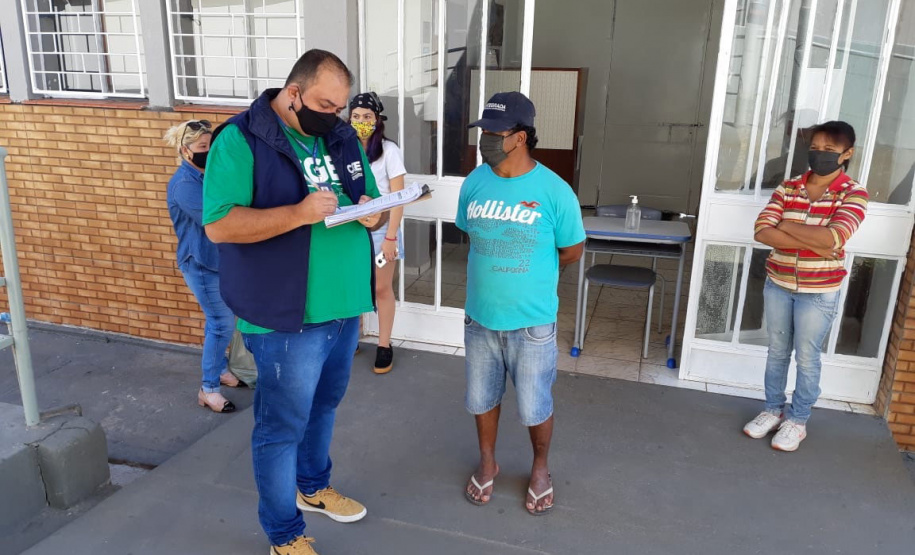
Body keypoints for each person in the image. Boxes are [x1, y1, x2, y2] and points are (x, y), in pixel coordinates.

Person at [202, 50, 384, 555]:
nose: (335, 115)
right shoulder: (242, 139)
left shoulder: (341, 135)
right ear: (294, 92)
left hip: (344, 306)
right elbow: (219, 223)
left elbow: (368, 197)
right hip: (286, 315)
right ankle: (284, 533)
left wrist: (375, 215)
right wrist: (299, 213)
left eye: (341, 106)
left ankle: (312, 486)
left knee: (324, 405)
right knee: (280, 427)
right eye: (326, 104)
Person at [456, 92, 585, 515]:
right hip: (479, 318)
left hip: (532, 324)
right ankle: (488, 461)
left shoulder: (554, 190)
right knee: (481, 399)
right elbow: (470, 234)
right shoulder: (475, 181)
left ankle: (541, 468)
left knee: (534, 405)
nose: (486, 139)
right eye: (484, 131)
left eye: (495, 133)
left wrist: (533, 276)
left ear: (521, 137)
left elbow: (571, 250)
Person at [746, 120, 868, 452]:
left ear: (847, 154)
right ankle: (772, 410)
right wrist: (818, 243)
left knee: (807, 357)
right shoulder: (789, 187)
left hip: (819, 291)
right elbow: (762, 231)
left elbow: (835, 237)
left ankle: (797, 420)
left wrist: (787, 226)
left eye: (830, 150)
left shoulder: (853, 192)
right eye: (815, 148)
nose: (820, 155)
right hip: (779, 283)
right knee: (777, 352)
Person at [163, 119, 240, 414]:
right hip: (201, 264)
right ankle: (208, 389)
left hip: (219, 262)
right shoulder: (184, 186)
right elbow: (218, 221)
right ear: (185, 150)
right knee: (222, 324)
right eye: (202, 147)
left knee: (217, 322)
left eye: (211, 145)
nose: (209, 152)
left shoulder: (206, 175)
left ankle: (220, 370)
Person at [349, 92, 406, 374]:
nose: (361, 122)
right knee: (354, 285)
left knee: (381, 288)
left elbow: (399, 198)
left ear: (377, 119)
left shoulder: (388, 151)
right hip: (352, 231)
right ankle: (351, 340)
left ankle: (384, 345)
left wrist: (391, 237)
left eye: (367, 117)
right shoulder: (343, 149)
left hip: (383, 230)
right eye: (356, 116)